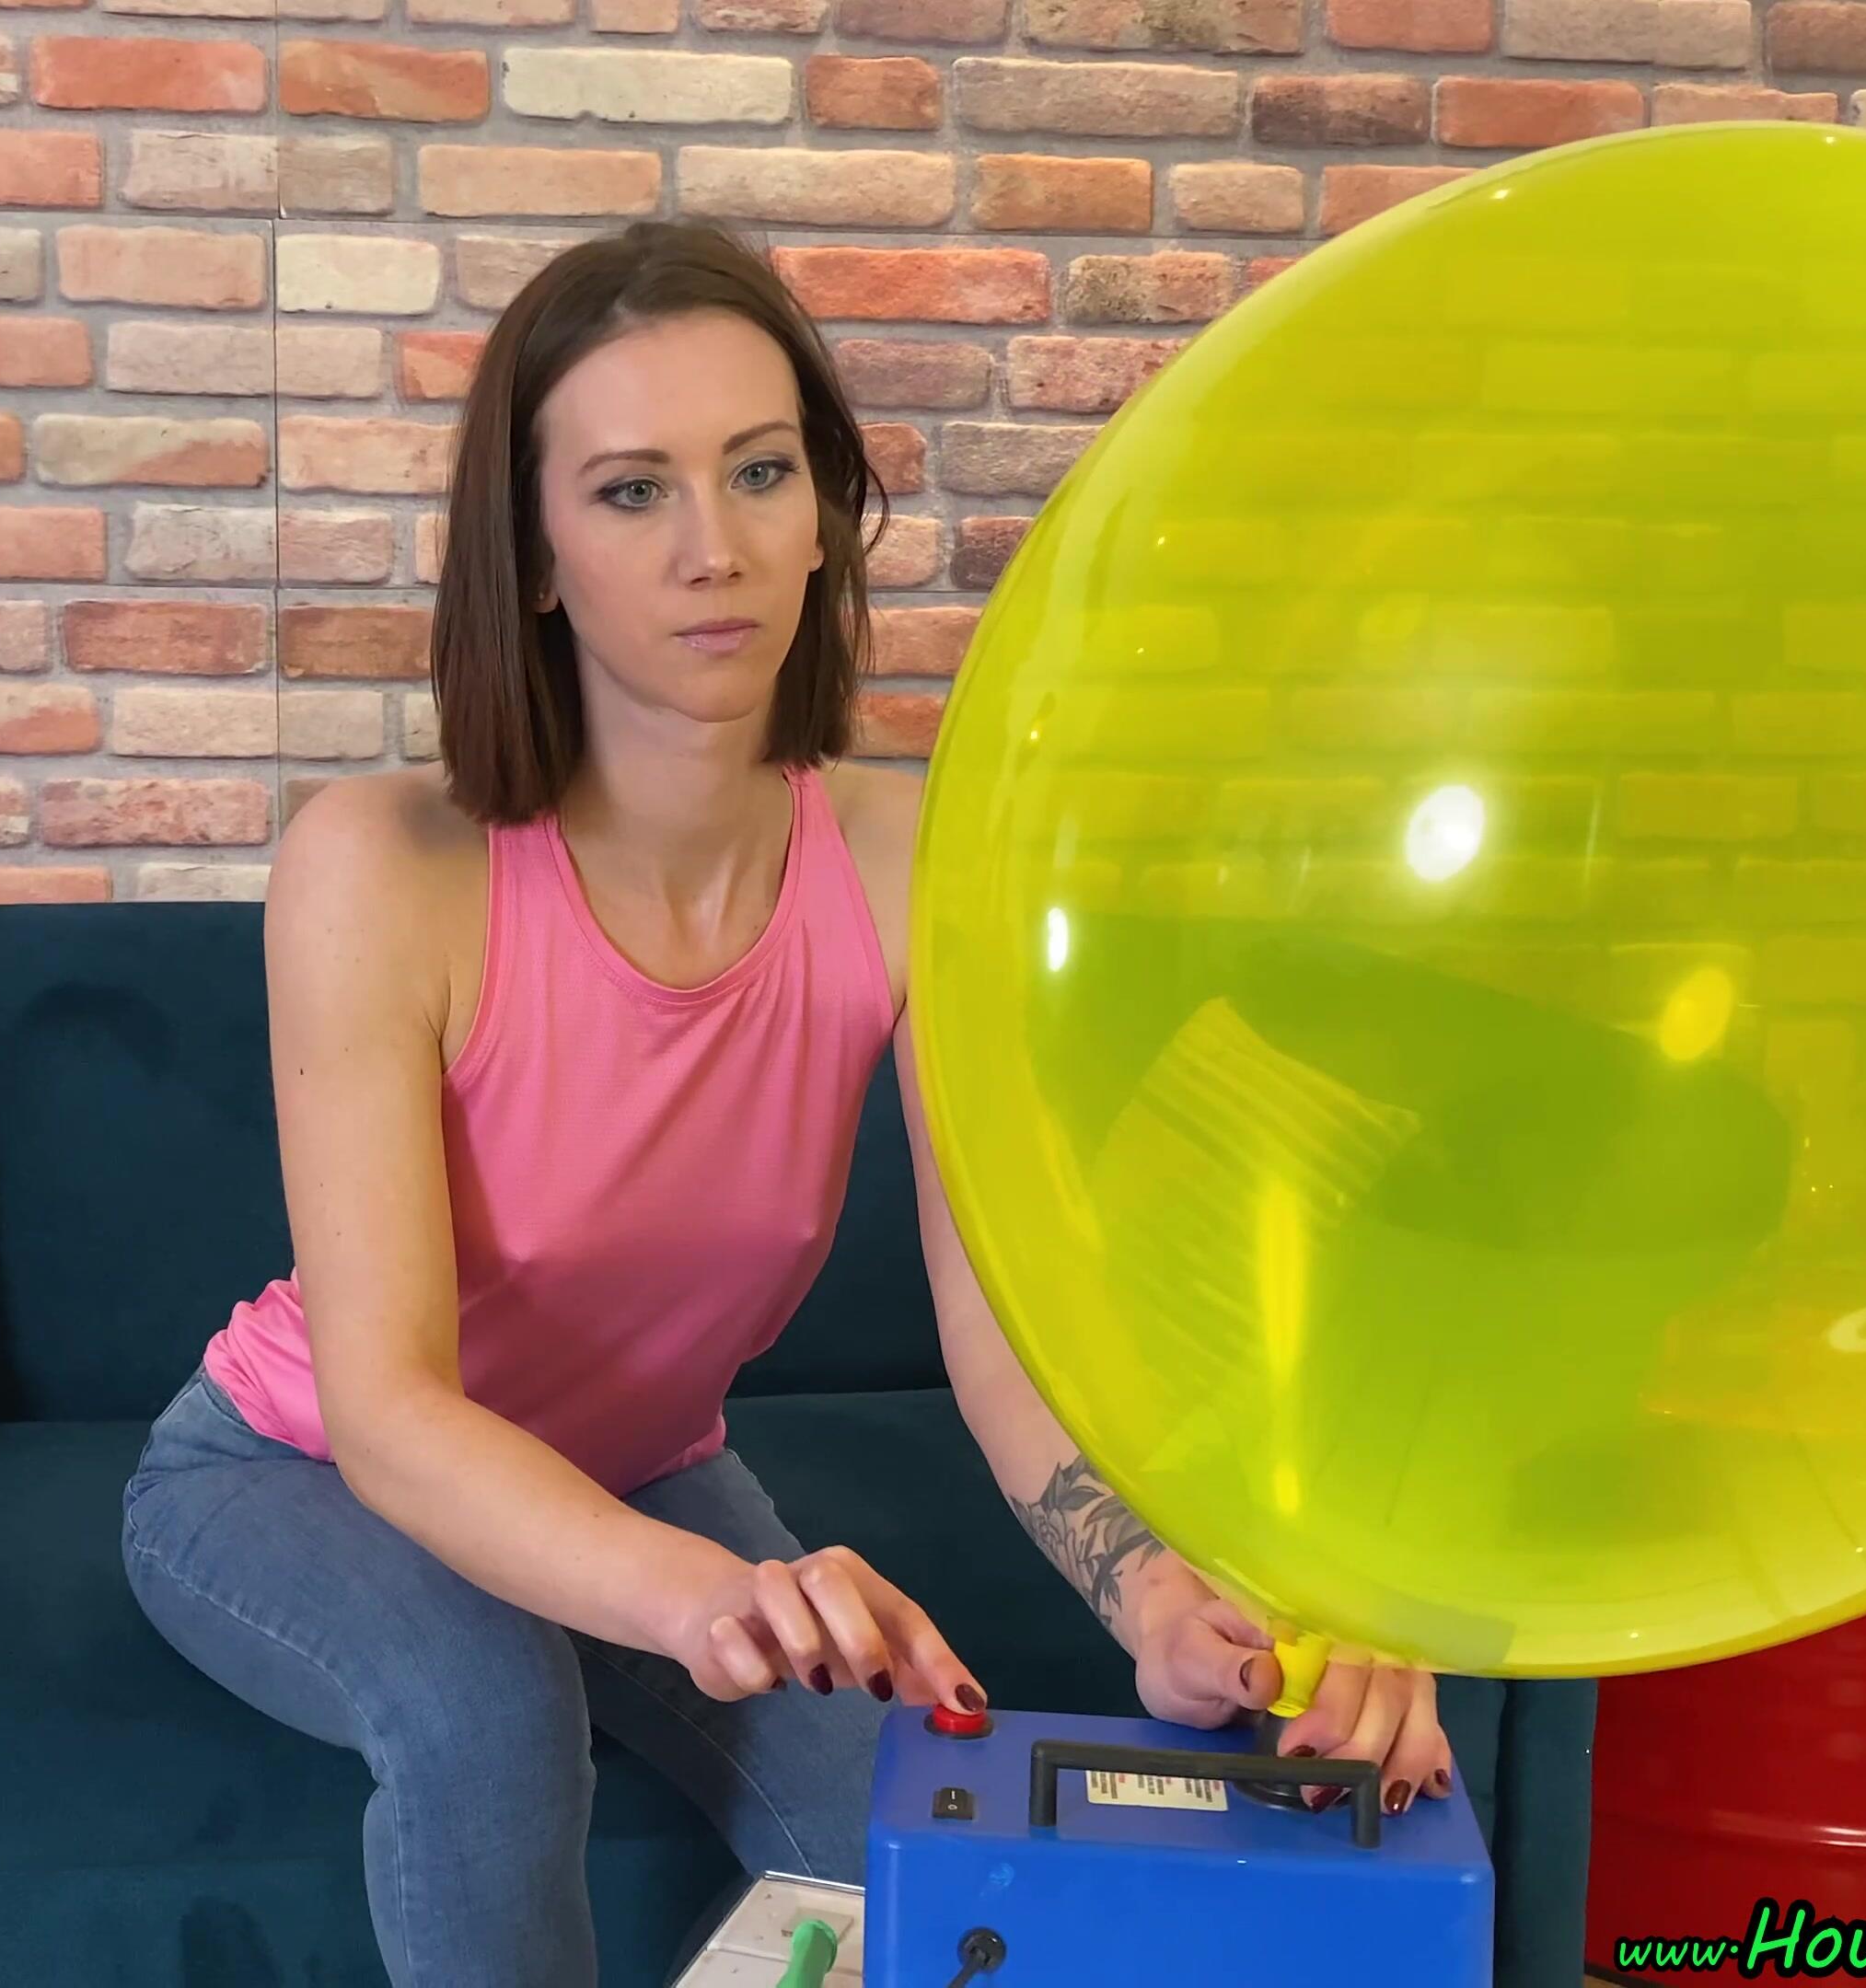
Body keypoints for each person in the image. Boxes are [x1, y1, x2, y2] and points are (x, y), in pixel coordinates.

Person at [117, 216, 1455, 1984]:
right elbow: (389, 1410)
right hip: (290, 1476)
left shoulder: (909, 861)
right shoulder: (378, 868)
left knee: (907, 1834)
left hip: (642, 1470)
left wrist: (1154, 1590)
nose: (716, 548)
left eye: (760, 472)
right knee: (492, 1711)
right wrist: (708, 1602)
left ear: (825, 512)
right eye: (631, 492)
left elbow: (1000, 1332)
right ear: (533, 557)